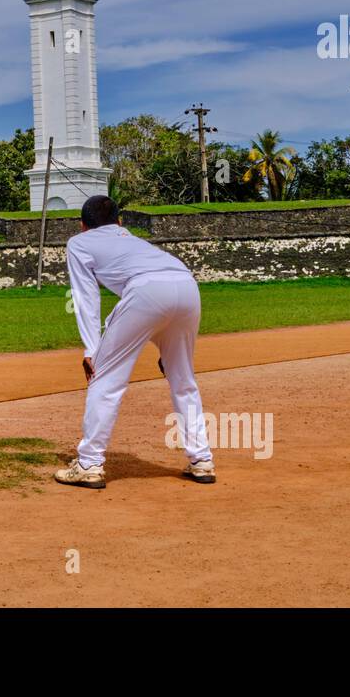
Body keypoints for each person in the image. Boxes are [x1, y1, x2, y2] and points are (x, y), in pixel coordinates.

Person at [56, 195, 214, 490]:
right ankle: (202, 460)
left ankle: (89, 464)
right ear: (119, 222)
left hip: (145, 291)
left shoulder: (79, 242)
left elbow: (85, 297)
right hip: (187, 285)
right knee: (183, 379)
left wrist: (92, 349)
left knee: (104, 379)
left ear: (82, 226)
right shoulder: (132, 239)